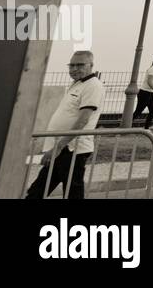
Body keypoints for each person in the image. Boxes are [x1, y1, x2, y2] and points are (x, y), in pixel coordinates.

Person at [26, 51, 104, 199]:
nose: (74, 69)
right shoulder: (76, 84)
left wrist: (59, 146)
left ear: (91, 65)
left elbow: (83, 120)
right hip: (61, 148)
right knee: (39, 188)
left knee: (72, 191)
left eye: (80, 65)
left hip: (72, 149)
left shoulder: (93, 86)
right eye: (72, 65)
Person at [133, 54, 153, 130]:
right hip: (145, 93)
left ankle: (146, 128)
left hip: (150, 93)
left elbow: (152, 82)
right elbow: (149, 82)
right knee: (139, 111)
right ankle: (125, 125)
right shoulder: (152, 70)